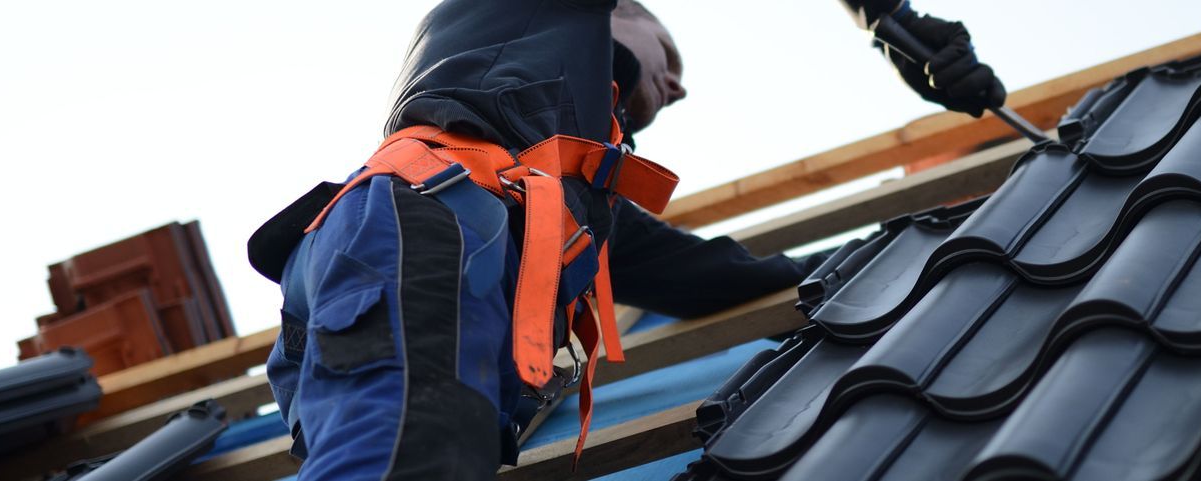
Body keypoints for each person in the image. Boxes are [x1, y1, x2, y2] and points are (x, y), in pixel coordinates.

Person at [246, 0, 1008, 478]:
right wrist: (886, 17)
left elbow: (715, 275)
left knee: (410, 449)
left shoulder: (561, 194)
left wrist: (912, 248)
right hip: (420, 223)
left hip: (389, 242)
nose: (676, 88)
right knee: (412, 451)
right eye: (668, 58)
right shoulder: (515, 14)